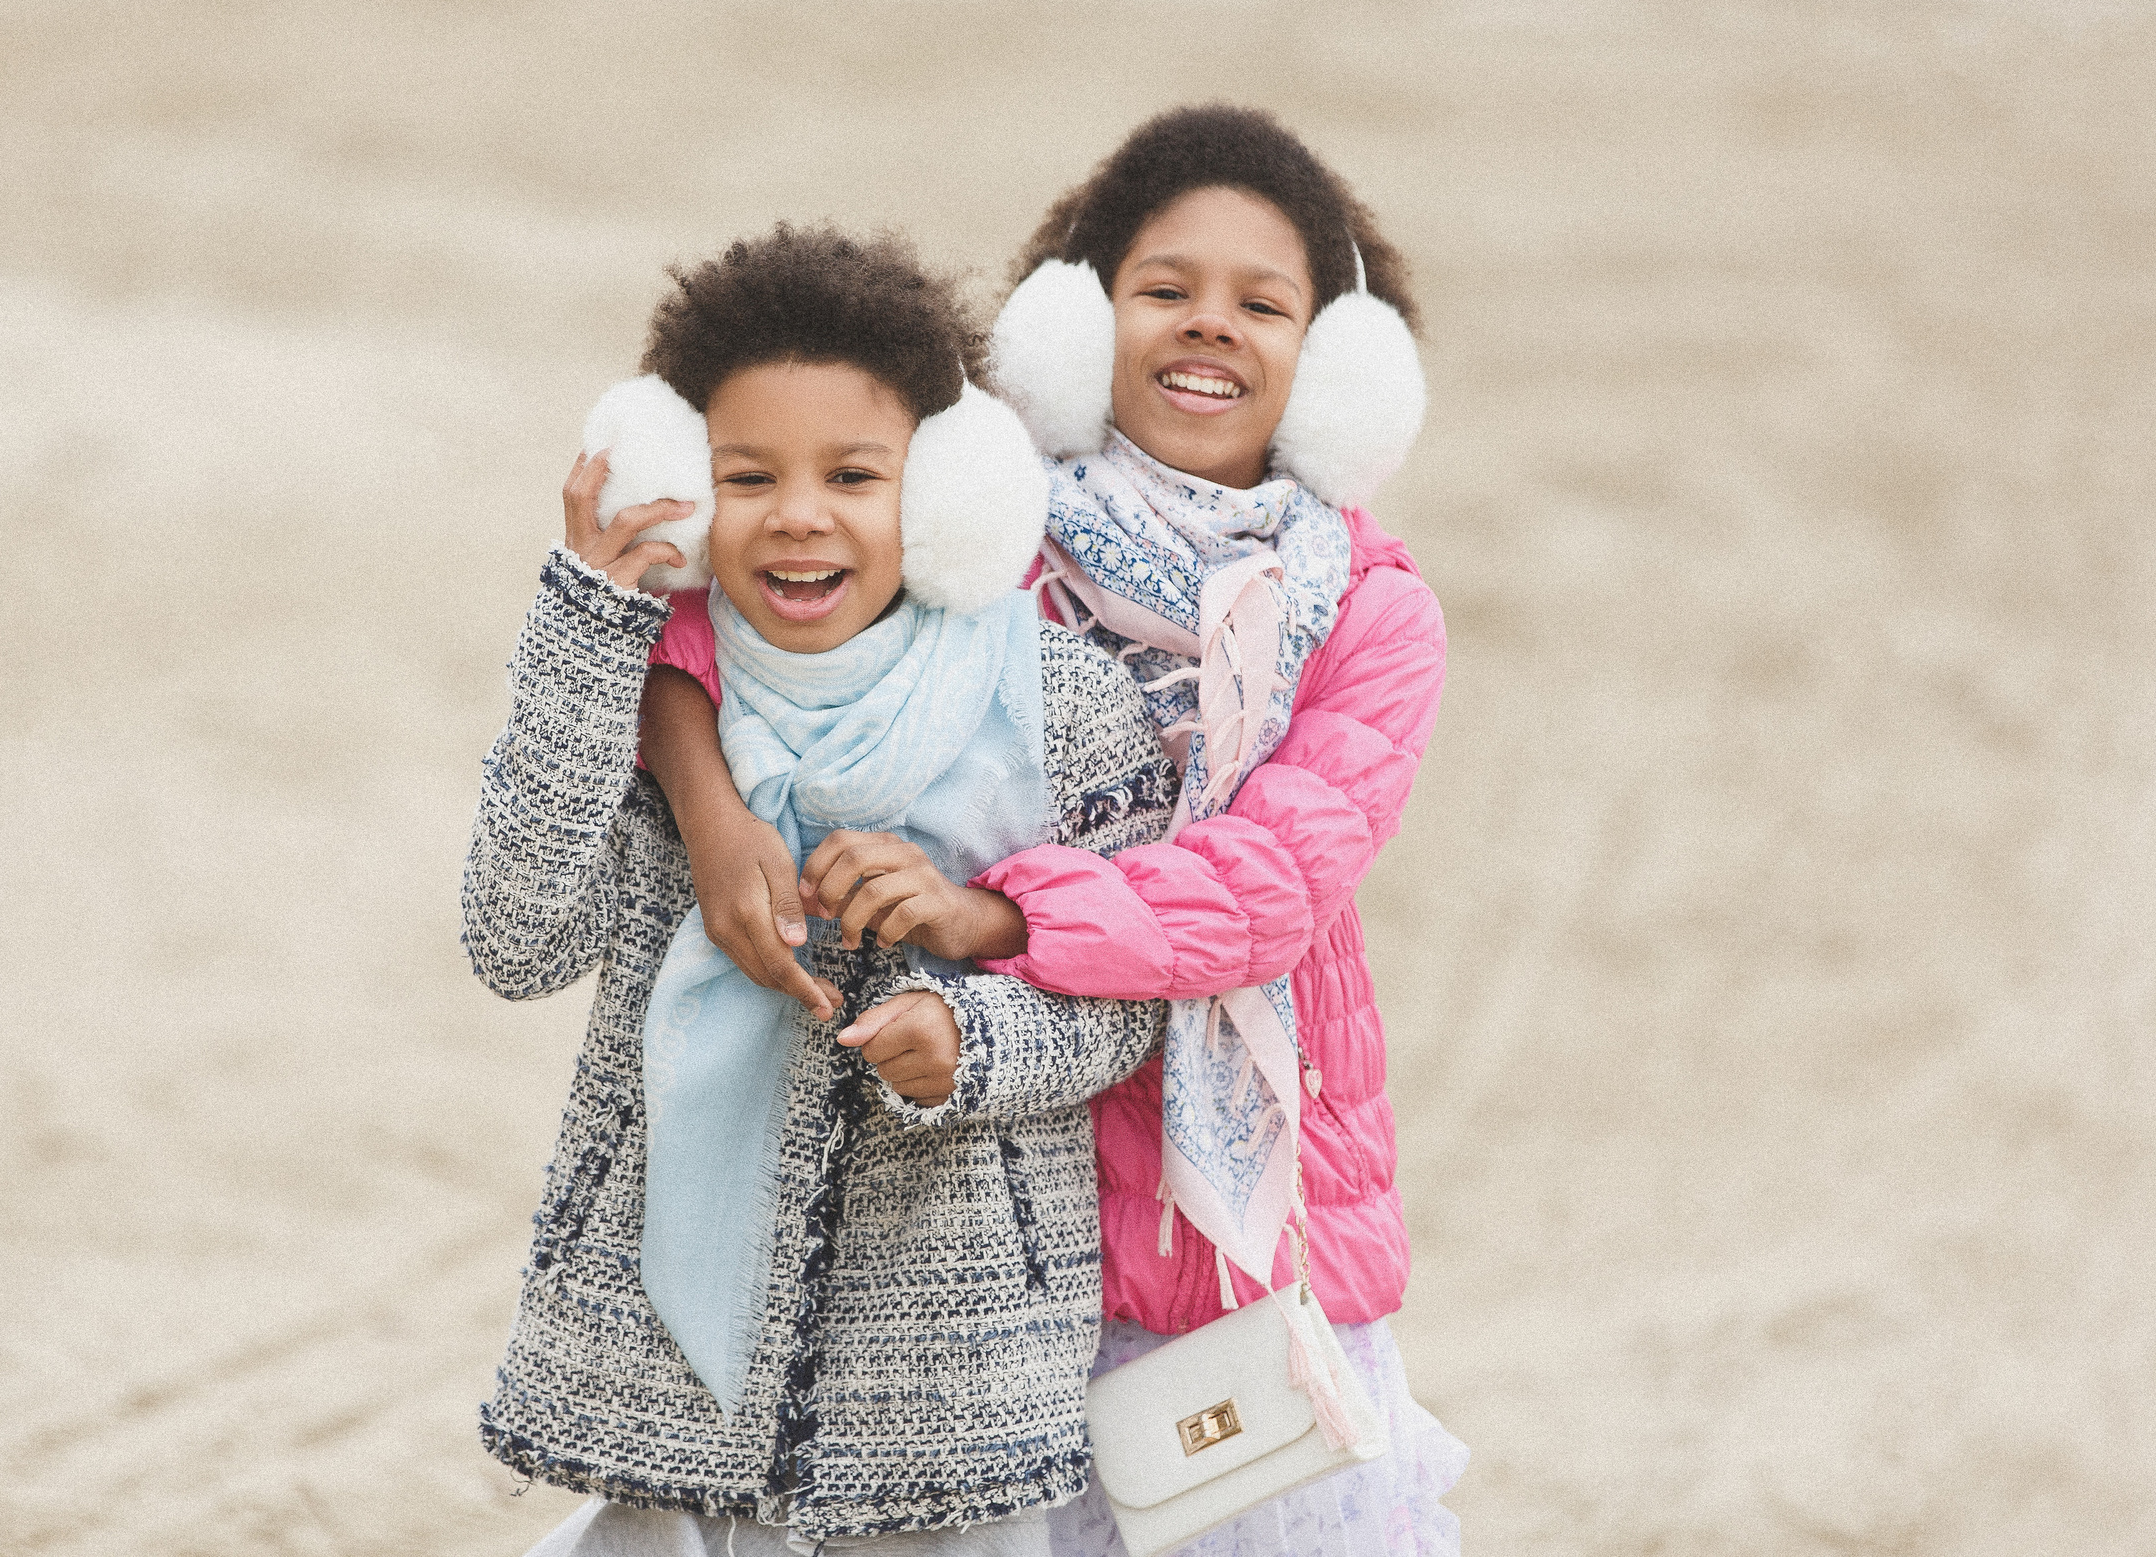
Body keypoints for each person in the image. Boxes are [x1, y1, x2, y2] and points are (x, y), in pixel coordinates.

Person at [640, 108, 1468, 1555]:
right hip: (988, 1189)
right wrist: (709, 810)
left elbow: (1265, 887)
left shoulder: (1375, 613)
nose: (1208, 325)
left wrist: (1004, 915)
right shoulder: (979, 537)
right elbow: (723, 621)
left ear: (1339, 366)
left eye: (1263, 304)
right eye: (1164, 287)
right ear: (1076, 326)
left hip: (1238, 1232)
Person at [461, 223, 1184, 1555]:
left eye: (854, 474)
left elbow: (1129, 999)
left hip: (952, 1364)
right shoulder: (629, 689)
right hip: (667, 1360)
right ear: (685, 483)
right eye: (746, 476)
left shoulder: (1063, 706)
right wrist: (585, 628)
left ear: (948, 485)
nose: (799, 514)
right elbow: (516, 940)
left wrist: (969, 1038)